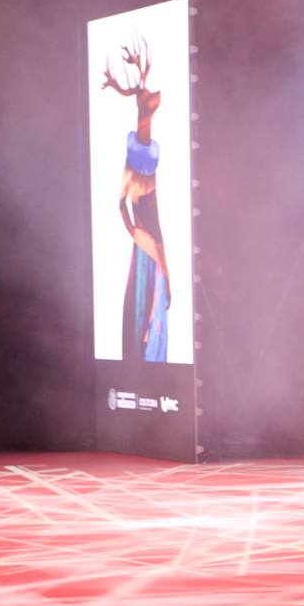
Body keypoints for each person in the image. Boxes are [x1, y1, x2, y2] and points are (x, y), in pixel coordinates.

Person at [103, 36, 170, 362]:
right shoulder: (134, 162)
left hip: (151, 235)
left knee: (153, 302)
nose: (150, 93)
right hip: (146, 236)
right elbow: (120, 202)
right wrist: (134, 231)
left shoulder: (144, 156)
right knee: (146, 303)